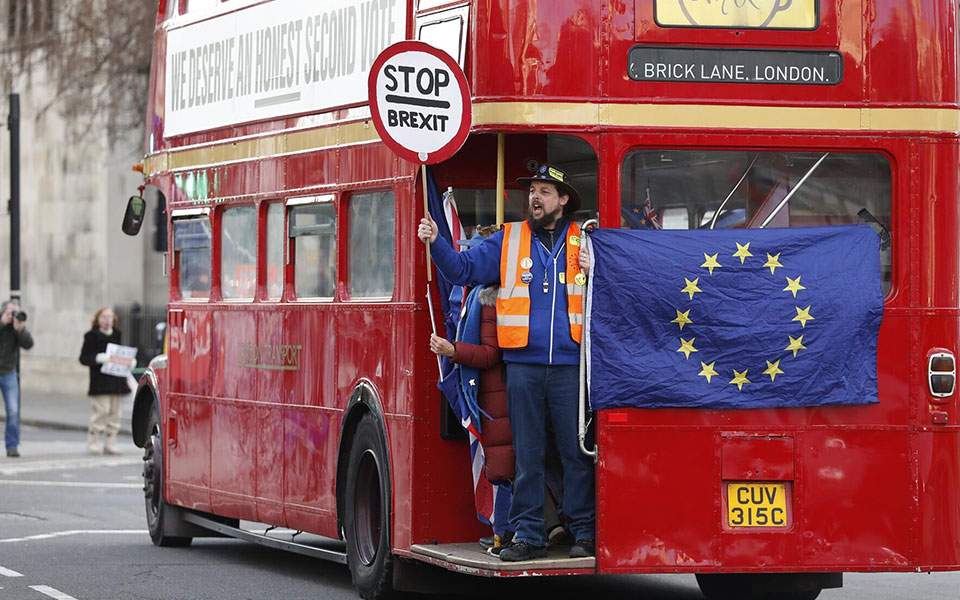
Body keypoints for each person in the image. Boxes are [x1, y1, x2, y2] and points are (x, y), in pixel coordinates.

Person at [418, 163, 595, 561]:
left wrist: (598, 269)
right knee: (527, 455)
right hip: (523, 367)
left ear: (563, 199)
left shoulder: (586, 241)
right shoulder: (508, 240)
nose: (535, 197)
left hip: (571, 367)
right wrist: (437, 242)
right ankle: (529, 535)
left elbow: (617, 288)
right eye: (532, 191)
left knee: (575, 453)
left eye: (544, 191)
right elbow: (462, 270)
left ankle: (584, 532)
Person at [430, 283, 516, 554]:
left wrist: (453, 350)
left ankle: (506, 532)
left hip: (495, 394)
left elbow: (490, 353)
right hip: (497, 392)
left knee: (502, 467)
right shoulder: (481, 293)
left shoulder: (486, 298)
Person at [79, 307, 135, 455]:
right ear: (98, 319)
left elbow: (122, 353)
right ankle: (93, 442)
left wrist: (129, 361)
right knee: (101, 411)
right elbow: (84, 358)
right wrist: (98, 358)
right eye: (104, 317)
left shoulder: (117, 334)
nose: (107, 320)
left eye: (110, 317)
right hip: (100, 382)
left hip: (117, 380)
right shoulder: (91, 336)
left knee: (115, 413)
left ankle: (110, 443)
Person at [0, 300, 33, 458]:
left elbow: (28, 344)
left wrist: (20, 329)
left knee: (13, 410)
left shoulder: (17, 328)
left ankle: (12, 446)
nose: (13, 315)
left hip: (9, 372)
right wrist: (2, 323)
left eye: (16, 312)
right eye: (10, 312)